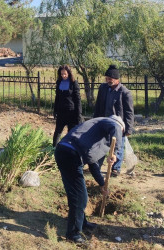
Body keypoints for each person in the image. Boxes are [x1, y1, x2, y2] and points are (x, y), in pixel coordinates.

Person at [54, 115, 124, 243]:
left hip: (65, 152)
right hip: (70, 155)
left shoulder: (96, 132)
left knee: (75, 194)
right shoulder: (110, 122)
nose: (120, 136)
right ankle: (73, 235)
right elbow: (115, 127)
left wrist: (102, 183)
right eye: (121, 133)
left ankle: (82, 223)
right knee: (80, 197)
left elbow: (93, 164)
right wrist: (116, 152)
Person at [93, 64, 134, 176]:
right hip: (104, 121)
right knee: (101, 143)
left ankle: (115, 169)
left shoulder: (124, 92)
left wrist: (129, 128)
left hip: (118, 124)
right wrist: (95, 120)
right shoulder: (103, 88)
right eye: (106, 78)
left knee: (118, 145)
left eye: (110, 79)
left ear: (117, 80)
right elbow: (98, 106)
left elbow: (129, 112)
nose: (108, 81)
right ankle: (97, 165)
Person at [53, 64, 82, 147]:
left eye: (65, 74)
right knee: (57, 132)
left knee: (71, 133)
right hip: (61, 112)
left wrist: (79, 114)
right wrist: (55, 110)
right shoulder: (59, 82)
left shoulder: (74, 83)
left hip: (71, 113)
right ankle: (53, 149)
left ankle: (69, 149)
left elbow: (78, 99)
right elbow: (57, 97)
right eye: (62, 74)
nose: (63, 76)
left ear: (69, 73)